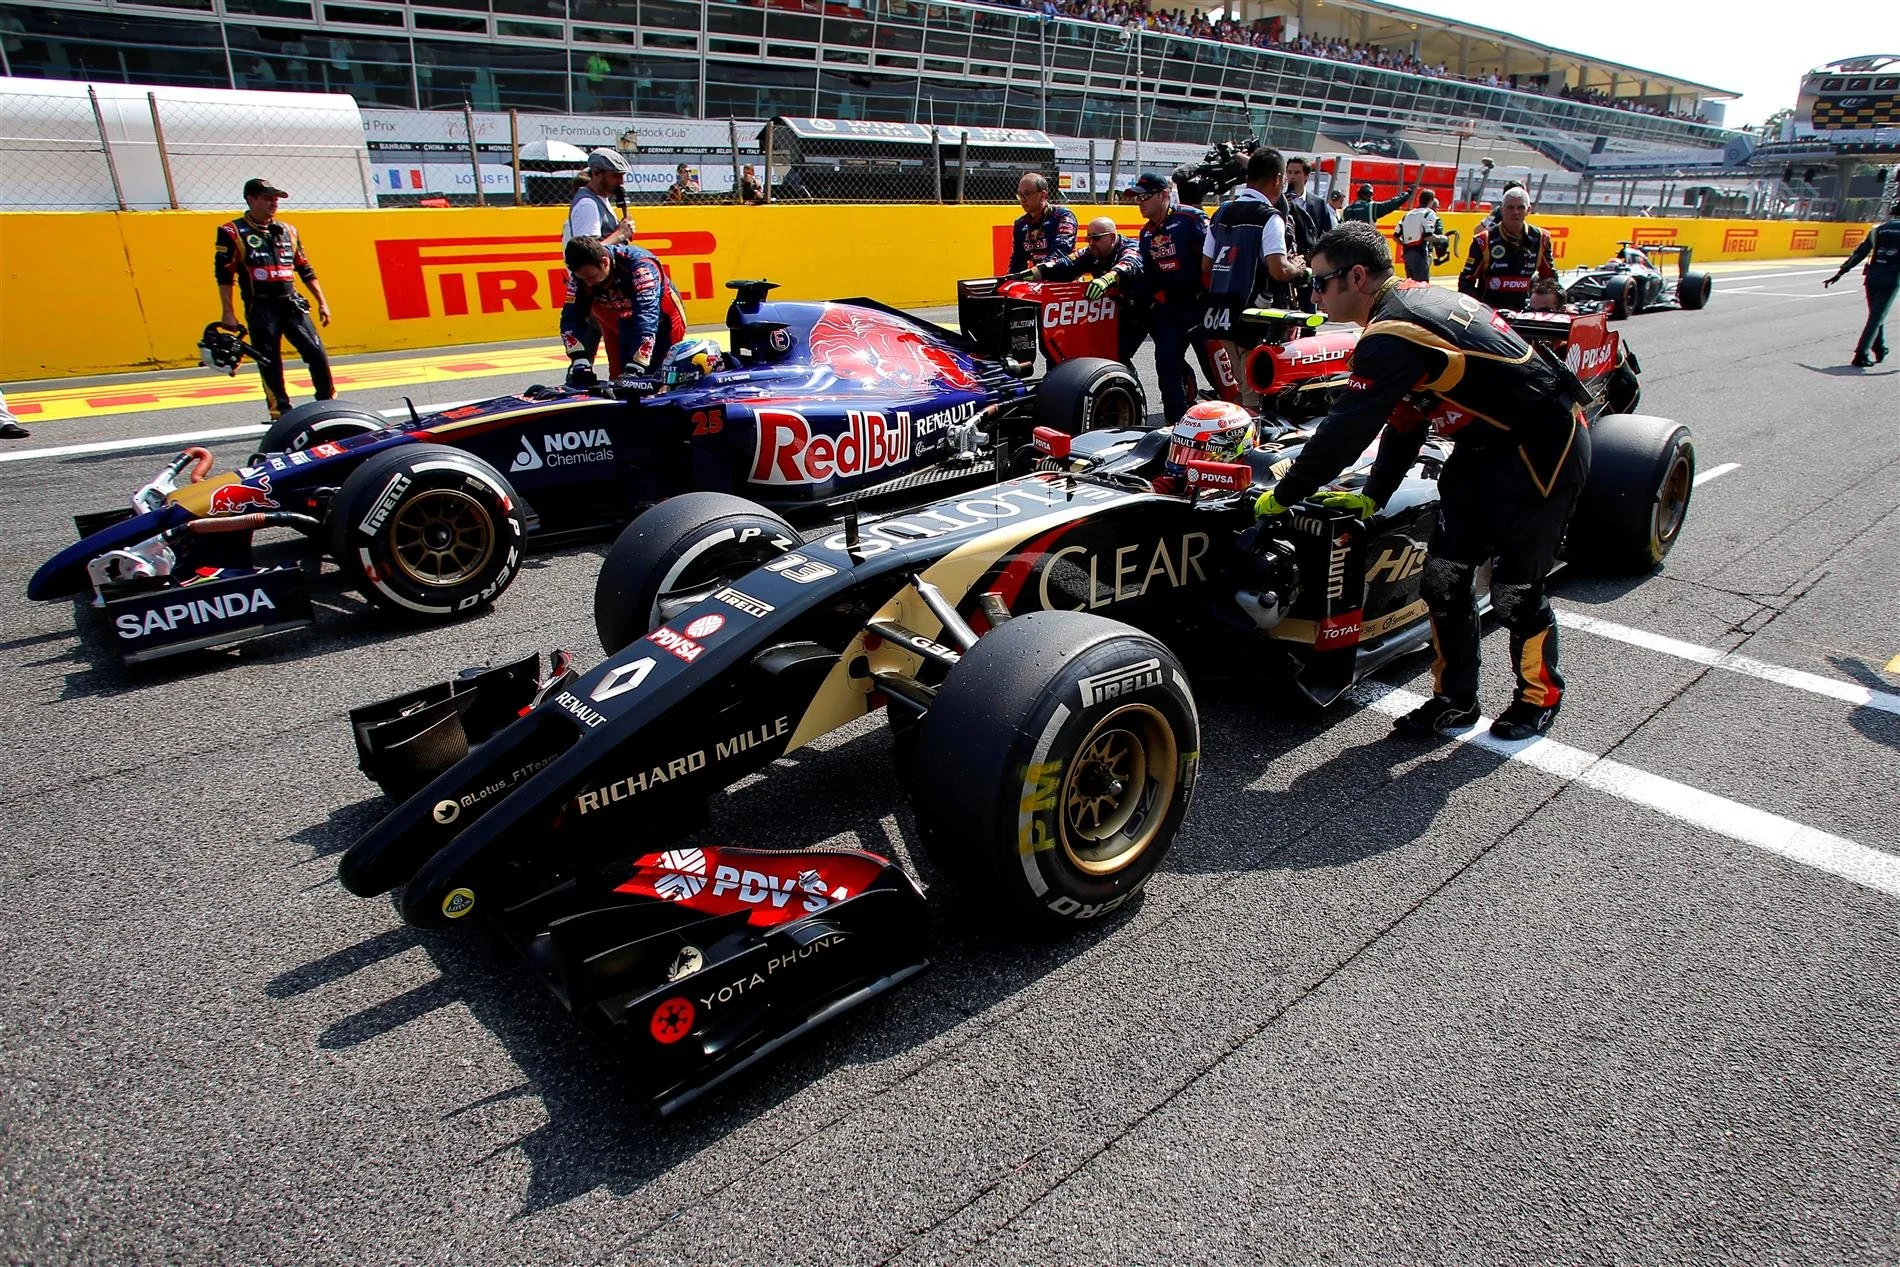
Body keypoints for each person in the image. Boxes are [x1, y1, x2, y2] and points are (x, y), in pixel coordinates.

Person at [1252, 222, 1592, 741]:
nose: (1312, 292)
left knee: (1515, 593)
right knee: (1443, 579)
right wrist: (1374, 497)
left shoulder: (1393, 330)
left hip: (1543, 449)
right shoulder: (1405, 307)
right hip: (1481, 448)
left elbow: (1346, 429)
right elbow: (1406, 420)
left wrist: (1284, 494)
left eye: (1320, 282)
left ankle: (1538, 697)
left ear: (1358, 276)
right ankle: (1455, 701)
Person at [213, 177, 333, 421]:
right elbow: (224, 274)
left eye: (276, 198)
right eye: (268, 198)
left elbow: (305, 268)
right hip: (261, 306)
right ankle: (281, 412)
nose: (274, 203)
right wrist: (228, 312)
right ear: (250, 199)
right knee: (269, 361)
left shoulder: (289, 231)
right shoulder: (232, 231)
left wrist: (322, 301)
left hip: (292, 303)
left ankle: (327, 403)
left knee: (316, 353)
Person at [1201, 146, 1310, 405]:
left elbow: (1206, 264)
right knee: (1259, 394)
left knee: (1242, 387)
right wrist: (1299, 268)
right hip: (1257, 317)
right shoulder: (1270, 217)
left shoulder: (1222, 211)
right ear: (1278, 179)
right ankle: (1255, 440)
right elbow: (1278, 269)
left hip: (1222, 316)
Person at [1130, 172, 1209, 423]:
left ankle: (1237, 417)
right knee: (1166, 367)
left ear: (1164, 194)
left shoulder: (1190, 219)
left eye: (1145, 196)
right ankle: (1175, 423)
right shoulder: (1146, 233)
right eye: (1137, 197)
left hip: (1201, 308)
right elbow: (1150, 275)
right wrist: (1157, 300)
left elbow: (1213, 261)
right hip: (1170, 311)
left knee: (1215, 368)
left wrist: (1210, 299)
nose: (1140, 202)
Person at [559, 236, 687, 386]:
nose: (588, 283)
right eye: (583, 278)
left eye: (591, 277)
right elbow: (570, 318)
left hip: (663, 318)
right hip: (625, 319)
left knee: (659, 376)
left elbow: (647, 315)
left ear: (605, 262)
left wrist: (637, 365)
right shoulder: (580, 277)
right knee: (618, 377)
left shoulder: (641, 266)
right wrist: (579, 357)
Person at [1026, 215, 1145, 365]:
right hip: (1122, 308)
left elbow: (1129, 264)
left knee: (1165, 359)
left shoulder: (1132, 248)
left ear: (1112, 237)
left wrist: (1106, 280)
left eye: (1096, 238)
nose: (1091, 244)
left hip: (1149, 310)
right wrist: (1032, 273)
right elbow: (1064, 264)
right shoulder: (1091, 252)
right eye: (1088, 239)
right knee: (1107, 353)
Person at [1823, 201, 1899, 367]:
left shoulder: (1878, 230)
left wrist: (1840, 272)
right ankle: (1861, 354)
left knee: (1876, 315)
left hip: (1872, 277)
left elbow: (1859, 253)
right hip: (1892, 278)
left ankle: (1880, 348)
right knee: (1877, 316)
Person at [1457, 185, 1556, 312]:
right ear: (1502, 210)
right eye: (1510, 207)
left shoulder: (1541, 238)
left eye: (1521, 207)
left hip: (1525, 314)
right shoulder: (1483, 240)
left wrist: (1544, 307)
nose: (1515, 212)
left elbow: (1550, 279)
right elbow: (1466, 282)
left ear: (1528, 210)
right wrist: (1481, 310)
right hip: (1491, 315)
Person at [1007, 172, 1078, 275]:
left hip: (1065, 278)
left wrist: (1034, 273)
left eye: (1026, 194)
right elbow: (1017, 261)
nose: (1022, 199)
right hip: (1039, 279)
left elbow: (1060, 252)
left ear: (1043, 195)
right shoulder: (1020, 224)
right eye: (1020, 195)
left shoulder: (1063, 216)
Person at [564, 149, 633, 245]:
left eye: (622, 176)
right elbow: (586, 253)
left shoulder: (601, 198)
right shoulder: (587, 205)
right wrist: (620, 234)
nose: (621, 182)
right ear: (596, 173)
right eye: (616, 176)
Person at [1396, 189, 1446, 283]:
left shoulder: (1408, 214)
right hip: (1420, 254)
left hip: (1407, 255)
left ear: (1419, 200)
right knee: (1421, 288)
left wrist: (1405, 244)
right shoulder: (1429, 213)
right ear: (1431, 201)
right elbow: (1428, 236)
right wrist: (1441, 238)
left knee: (1410, 287)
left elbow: (1395, 236)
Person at [1285, 157, 1334, 233]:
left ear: (1306, 176)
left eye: (1297, 172)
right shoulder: (1279, 200)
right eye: (1289, 172)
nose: (1292, 176)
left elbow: (1328, 232)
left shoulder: (1319, 203)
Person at [1341, 179, 1414, 225]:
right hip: (1366, 243)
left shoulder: (1346, 209)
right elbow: (1392, 204)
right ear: (1369, 195)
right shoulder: (1371, 207)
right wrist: (1407, 193)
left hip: (1348, 245)